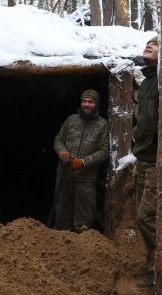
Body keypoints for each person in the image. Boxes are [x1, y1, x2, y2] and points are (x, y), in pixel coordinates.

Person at [52, 89, 109, 232]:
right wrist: (62, 151)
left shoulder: (102, 125)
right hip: (64, 175)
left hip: (86, 179)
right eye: (84, 101)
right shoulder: (71, 120)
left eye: (90, 102)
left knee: (83, 223)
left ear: (96, 104)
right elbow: (58, 140)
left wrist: (84, 162)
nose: (87, 104)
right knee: (61, 217)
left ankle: (81, 252)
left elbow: (104, 151)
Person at [132, 35, 159, 287]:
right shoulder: (147, 81)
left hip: (156, 161)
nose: (149, 45)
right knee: (142, 215)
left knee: (146, 217)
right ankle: (153, 267)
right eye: (148, 43)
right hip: (143, 159)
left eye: (156, 44)